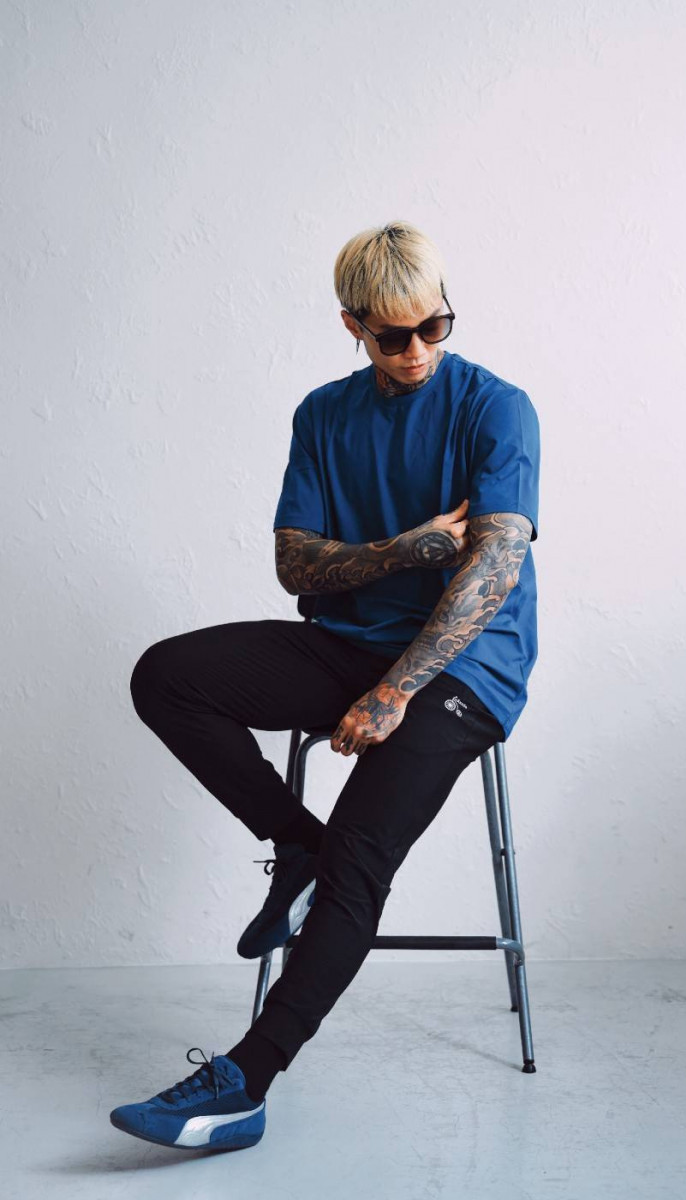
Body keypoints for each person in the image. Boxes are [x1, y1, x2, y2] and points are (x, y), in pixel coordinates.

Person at [109, 219, 541, 1152]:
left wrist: (396, 692)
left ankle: (245, 1083)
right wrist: (406, 549)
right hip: (347, 644)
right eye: (393, 336)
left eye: (434, 326)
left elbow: (493, 566)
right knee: (167, 677)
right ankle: (294, 845)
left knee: (361, 857)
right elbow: (294, 566)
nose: (417, 351)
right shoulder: (322, 414)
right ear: (353, 326)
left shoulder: (498, 408)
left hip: (464, 667)